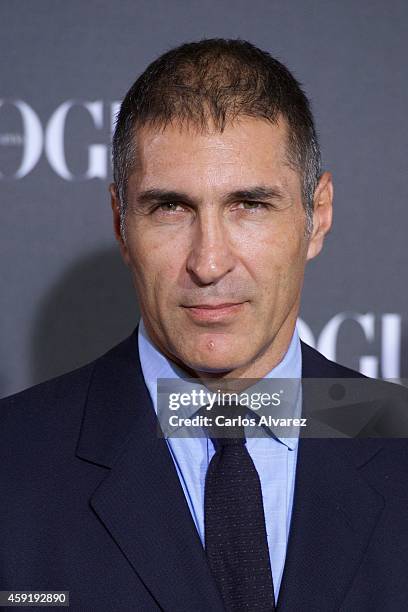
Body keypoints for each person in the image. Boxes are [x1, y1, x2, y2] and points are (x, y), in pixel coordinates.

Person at [1, 38, 408, 612]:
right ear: (121, 224)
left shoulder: (396, 440)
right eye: (170, 208)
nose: (209, 261)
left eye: (250, 205)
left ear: (316, 216)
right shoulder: (11, 462)